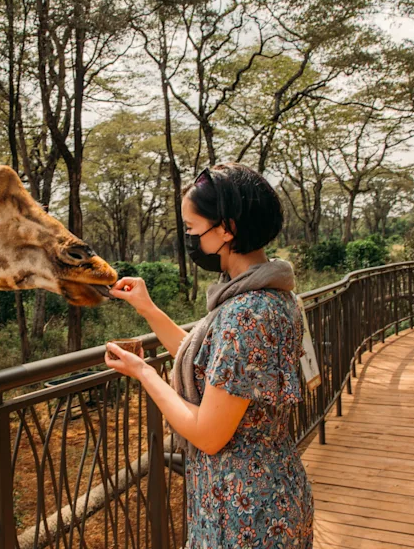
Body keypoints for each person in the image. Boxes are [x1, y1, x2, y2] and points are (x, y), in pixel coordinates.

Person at [104, 163, 314, 549]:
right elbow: (215, 366)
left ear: (226, 229)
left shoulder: (246, 312)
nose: (188, 238)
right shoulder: (273, 295)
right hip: (267, 494)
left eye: (192, 228)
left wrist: (144, 373)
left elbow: (209, 434)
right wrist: (148, 308)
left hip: (244, 511)